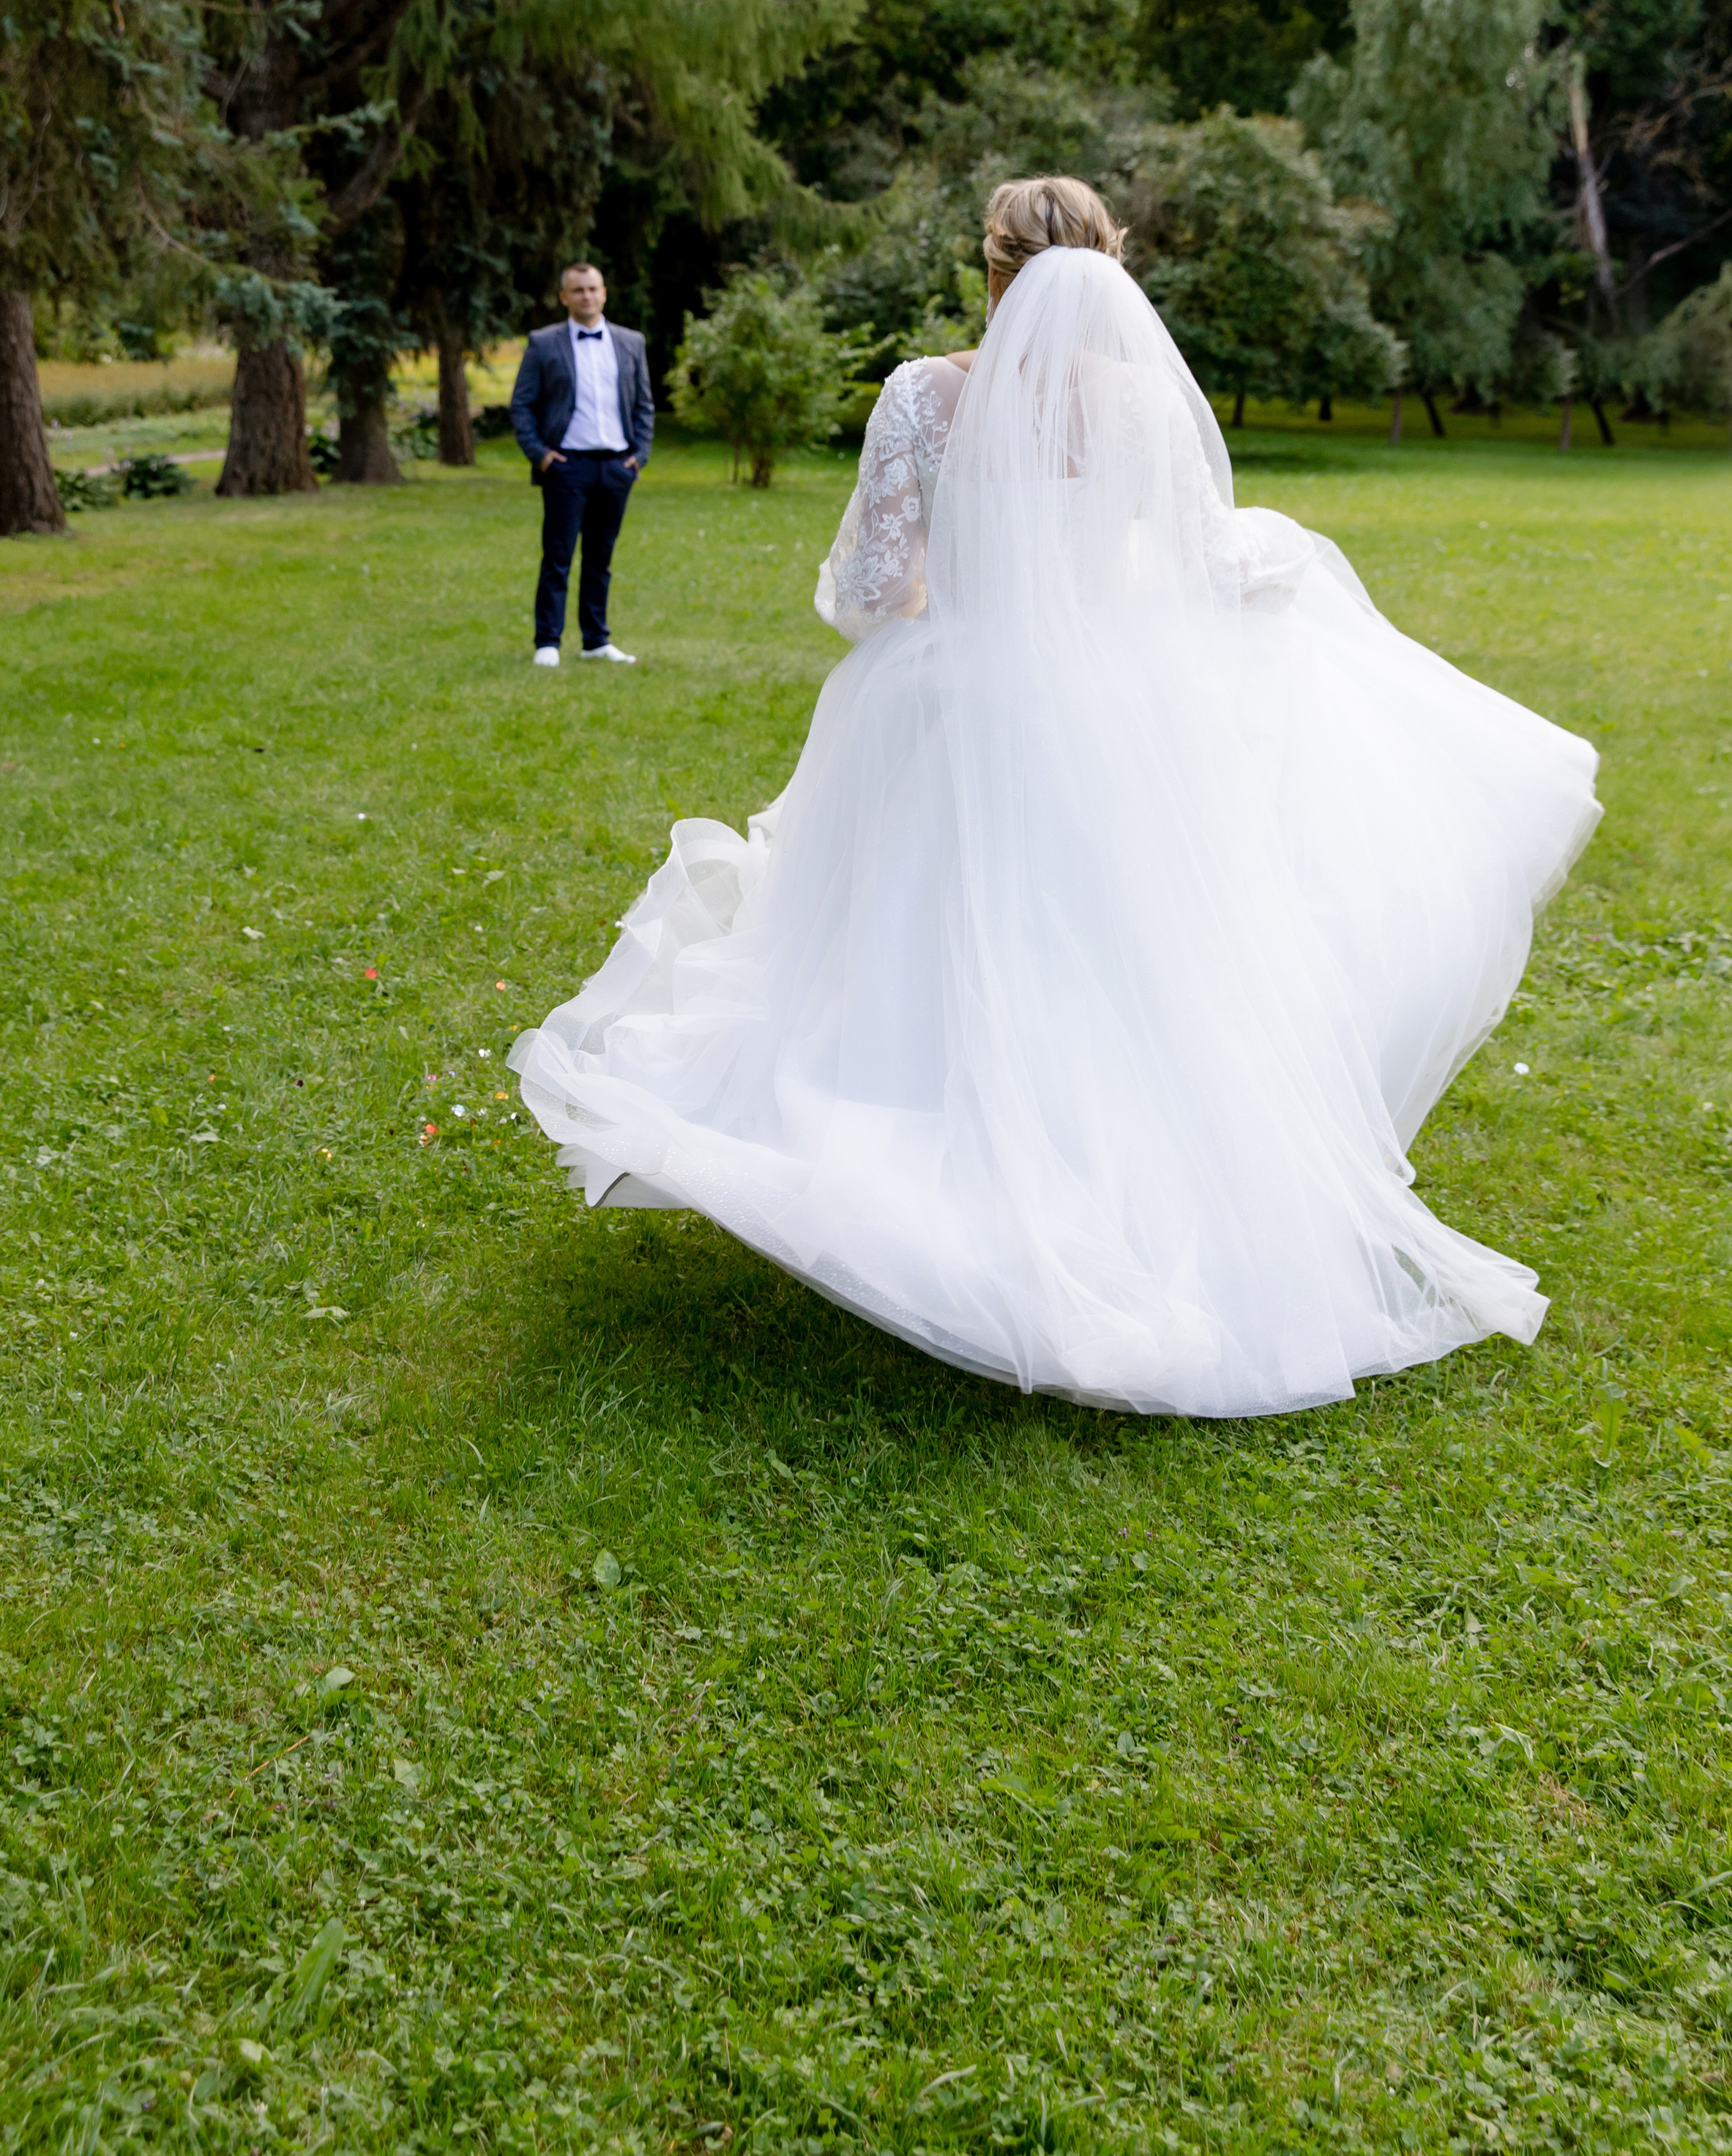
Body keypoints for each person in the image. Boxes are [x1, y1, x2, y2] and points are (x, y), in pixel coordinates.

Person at [512, 179, 1601, 1418]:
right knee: (1114, 976)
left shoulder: (926, 395)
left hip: (950, 709)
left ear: (990, 273)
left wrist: (945, 611)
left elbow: (871, 591)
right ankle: (1099, 1213)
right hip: (1115, 728)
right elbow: (1198, 573)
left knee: (911, 957)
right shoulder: (1148, 406)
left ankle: (932, 1205)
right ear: (1114, 268)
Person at [509, 261, 654, 666]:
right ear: (564, 297)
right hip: (565, 467)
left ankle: (595, 641)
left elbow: (644, 405)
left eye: (593, 289)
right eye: (578, 290)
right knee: (557, 557)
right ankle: (547, 643)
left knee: (600, 559)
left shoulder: (630, 342)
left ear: (604, 293)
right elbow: (522, 405)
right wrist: (541, 456)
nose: (587, 296)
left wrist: (638, 457)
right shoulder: (544, 343)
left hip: (616, 468)